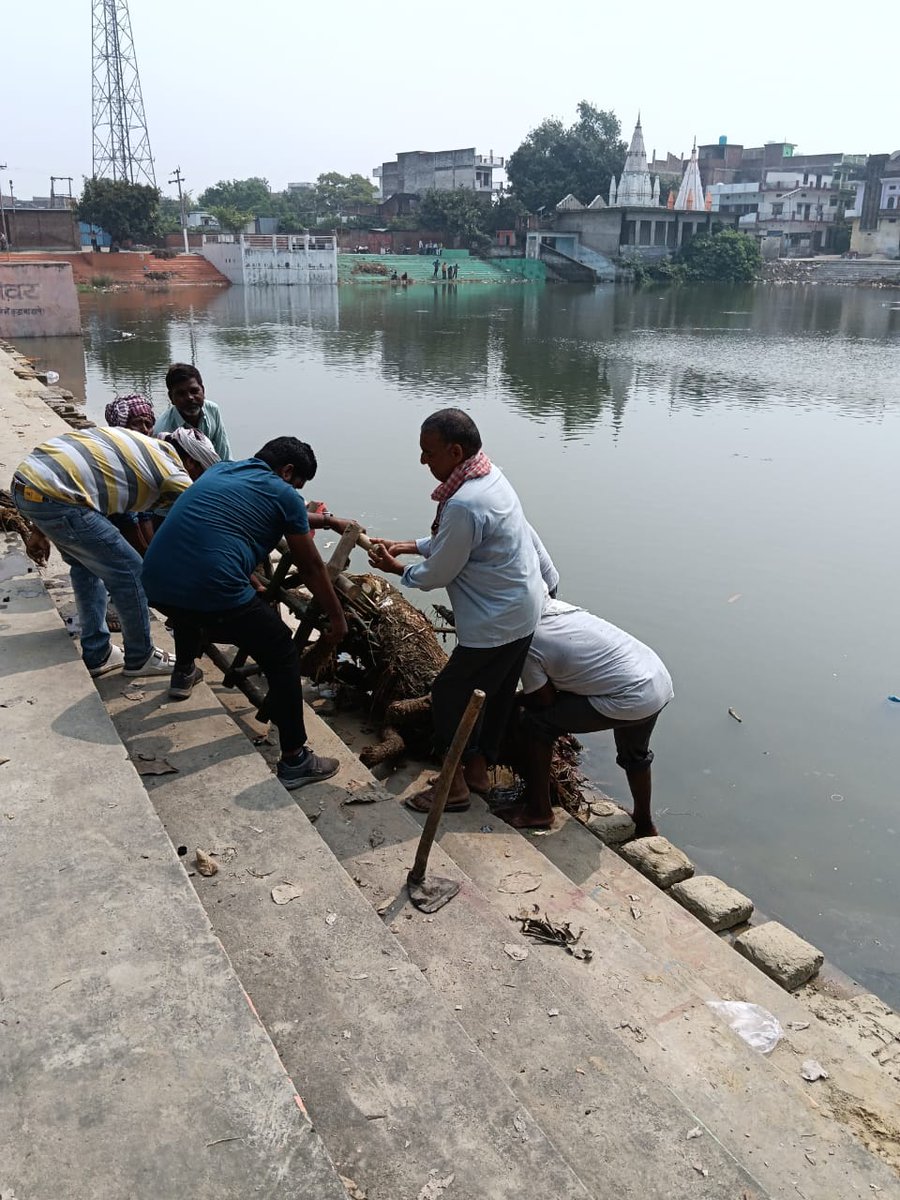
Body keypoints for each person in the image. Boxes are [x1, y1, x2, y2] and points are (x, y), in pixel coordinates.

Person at [141, 436, 351, 790]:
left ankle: (183, 673)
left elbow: (274, 512)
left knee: (191, 607)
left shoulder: (221, 470)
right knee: (281, 648)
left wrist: (326, 521)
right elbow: (312, 567)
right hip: (213, 589)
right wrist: (336, 617)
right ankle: (296, 759)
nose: (296, 493)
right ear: (286, 471)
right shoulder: (283, 494)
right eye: (297, 485)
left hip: (156, 583)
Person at [368, 408, 544, 812]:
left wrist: (399, 569)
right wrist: (409, 545)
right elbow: (461, 543)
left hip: (495, 620)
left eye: (428, 452)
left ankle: (455, 784)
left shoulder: (464, 502)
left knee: (449, 695)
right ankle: (479, 770)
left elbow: (441, 570)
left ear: (455, 450)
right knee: (494, 694)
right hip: (522, 611)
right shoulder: (490, 478)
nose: (423, 460)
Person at [11, 427, 194, 678]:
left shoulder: (143, 449)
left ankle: (98, 653)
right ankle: (141, 657)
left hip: (26, 484)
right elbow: (203, 518)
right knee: (130, 572)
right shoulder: (174, 473)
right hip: (56, 496)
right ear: (191, 464)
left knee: (85, 566)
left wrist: (40, 530)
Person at [503, 594, 674, 835]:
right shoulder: (562, 611)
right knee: (635, 754)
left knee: (536, 724)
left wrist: (512, 701)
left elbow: (542, 700)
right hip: (656, 678)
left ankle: (539, 810)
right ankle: (645, 823)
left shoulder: (525, 641)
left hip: (630, 693)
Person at [154, 363, 231, 460]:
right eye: (181, 394)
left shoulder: (212, 410)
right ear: (171, 398)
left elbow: (224, 454)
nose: (190, 398)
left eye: (194, 391)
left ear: (203, 390)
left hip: (213, 470)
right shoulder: (163, 430)